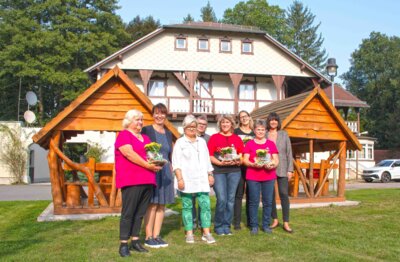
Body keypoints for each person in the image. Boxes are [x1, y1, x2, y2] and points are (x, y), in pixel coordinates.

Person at [115, 109, 162, 257]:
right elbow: (129, 154)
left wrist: (157, 163)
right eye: (137, 120)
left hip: (148, 179)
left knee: (140, 213)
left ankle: (135, 241)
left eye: (141, 120)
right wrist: (148, 166)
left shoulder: (146, 138)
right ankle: (123, 244)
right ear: (129, 121)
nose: (140, 122)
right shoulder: (123, 135)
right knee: (129, 213)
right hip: (131, 179)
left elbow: (151, 156)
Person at [172, 115, 216, 244]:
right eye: (189, 126)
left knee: (205, 205)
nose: (192, 129)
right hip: (187, 179)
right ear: (184, 128)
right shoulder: (180, 142)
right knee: (187, 206)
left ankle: (206, 232)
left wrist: (210, 174)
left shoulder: (201, 142)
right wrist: (180, 178)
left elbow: (207, 160)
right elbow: (176, 163)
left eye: (194, 126)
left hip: (202, 179)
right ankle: (189, 233)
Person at [142, 103, 175, 248]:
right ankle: (148, 236)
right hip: (152, 170)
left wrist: (172, 169)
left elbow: (169, 154)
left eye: (162, 113)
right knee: (152, 204)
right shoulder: (146, 130)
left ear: (165, 116)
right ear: (152, 114)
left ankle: (157, 235)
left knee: (162, 205)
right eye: (156, 113)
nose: (159, 116)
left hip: (166, 172)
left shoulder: (168, 133)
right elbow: (142, 150)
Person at [208, 114, 244, 236]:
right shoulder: (214, 137)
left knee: (230, 200)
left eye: (227, 122)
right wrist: (219, 163)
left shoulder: (237, 139)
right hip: (219, 171)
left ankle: (226, 225)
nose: (225, 125)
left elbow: (241, 154)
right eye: (223, 123)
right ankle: (218, 225)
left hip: (234, 171)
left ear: (231, 124)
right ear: (220, 124)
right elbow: (210, 156)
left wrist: (238, 160)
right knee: (222, 199)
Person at [243, 119, 279, 235]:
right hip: (253, 175)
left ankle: (266, 225)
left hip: (268, 176)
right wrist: (252, 164)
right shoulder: (249, 144)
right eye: (258, 129)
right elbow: (245, 160)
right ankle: (254, 226)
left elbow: (276, 160)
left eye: (262, 130)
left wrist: (271, 164)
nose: (260, 131)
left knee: (268, 202)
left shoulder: (270, 144)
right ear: (254, 130)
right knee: (253, 202)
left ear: (265, 131)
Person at [266, 112, 294, 233]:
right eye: (271, 120)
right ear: (268, 122)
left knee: (283, 194)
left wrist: (290, 169)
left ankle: (286, 222)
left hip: (282, 167)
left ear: (278, 122)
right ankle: (275, 219)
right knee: (270, 195)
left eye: (275, 120)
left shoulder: (284, 134)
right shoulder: (265, 134)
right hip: (268, 167)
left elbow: (289, 152)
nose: (273, 122)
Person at [233, 110, 255, 230]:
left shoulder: (254, 132)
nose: (243, 118)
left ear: (249, 117)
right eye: (241, 117)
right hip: (239, 167)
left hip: (252, 167)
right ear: (239, 120)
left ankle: (250, 221)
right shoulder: (235, 132)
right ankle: (236, 222)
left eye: (245, 116)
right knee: (238, 194)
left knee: (251, 195)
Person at [191, 114, 210, 229]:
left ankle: (203, 223)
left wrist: (209, 174)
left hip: (203, 174)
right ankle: (192, 223)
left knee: (203, 200)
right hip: (190, 173)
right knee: (191, 199)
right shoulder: (185, 137)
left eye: (204, 125)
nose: (202, 126)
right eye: (200, 124)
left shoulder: (208, 138)